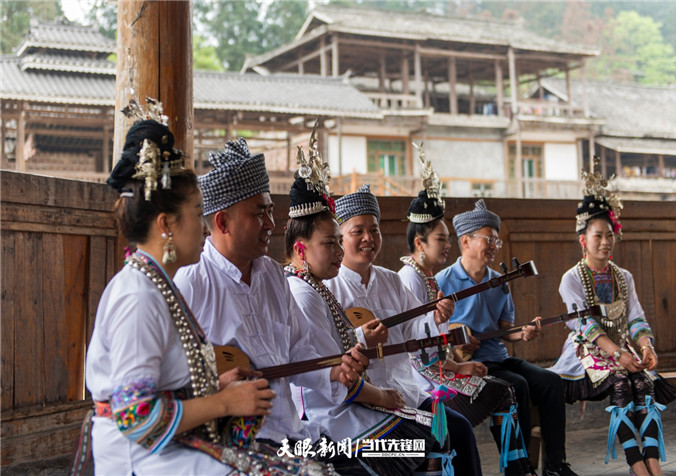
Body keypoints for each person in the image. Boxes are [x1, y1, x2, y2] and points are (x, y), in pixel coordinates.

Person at [83, 100, 315, 475]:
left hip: (172, 444)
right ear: (166, 225)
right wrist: (224, 403)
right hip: (142, 456)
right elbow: (136, 416)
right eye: (195, 213)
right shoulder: (137, 296)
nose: (204, 227)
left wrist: (217, 385)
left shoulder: (158, 286)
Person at [174, 138, 367, 474]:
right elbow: (173, 383)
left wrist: (333, 370)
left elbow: (297, 349)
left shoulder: (272, 275)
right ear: (222, 223)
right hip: (236, 440)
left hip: (289, 431)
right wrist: (216, 388)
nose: (270, 224)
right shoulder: (192, 283)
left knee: (365, 466)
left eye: (270, 210)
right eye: (259, 213)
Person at [282, 132, 438, 475]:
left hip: (357, 397)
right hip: (330, 414)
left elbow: (342, 357)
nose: (339, 252)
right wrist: (381, 397)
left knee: (432, 434)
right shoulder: (303, 292)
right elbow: (333, 375)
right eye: (331, 243)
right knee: (421, 439)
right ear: (300, 249)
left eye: (339, 242)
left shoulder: (316, 286)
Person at [325, 184, 483, 475]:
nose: (368, 239)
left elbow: (416, 330)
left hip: (404, 390)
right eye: (357, 231)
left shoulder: (390, 280)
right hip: (362, 400)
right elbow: (324, 354)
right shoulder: (328, 288)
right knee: (424, 441)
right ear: (339, 238)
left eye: (374, 230)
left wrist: (435, 317)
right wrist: (361, 339)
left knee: (458, 428)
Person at [398, 147, 534, 476]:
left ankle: (519, 469)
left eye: (448, 239)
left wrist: (458, 363)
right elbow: (415, 354)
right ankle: (515, 469)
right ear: (419, 242)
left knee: (507, 389)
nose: (448, 245)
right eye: (441, 239)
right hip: (422, 381)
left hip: (441, 368)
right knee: (499, 393)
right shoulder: (409, 279)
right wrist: (457, 366)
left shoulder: (428, 279)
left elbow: (435, 346)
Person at [436, 199, 577, 476]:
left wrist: (523, 332)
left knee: (551, 381)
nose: (493, 247)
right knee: (518, 385)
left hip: (498, 358)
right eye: (488, 240)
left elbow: (506, 327)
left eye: (496, 242)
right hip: (464, 364)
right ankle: (518, 468)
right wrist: (455, 335)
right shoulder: (442, 280)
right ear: (465, 242)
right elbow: (431, 328)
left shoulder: (499, 281)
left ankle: (555, 465)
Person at [548, 164, 670, 476]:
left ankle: (653, 462)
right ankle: (636, 464)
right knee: (620, 383)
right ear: (583, 240)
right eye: (598, 235)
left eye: (609, 235)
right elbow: (585, 326)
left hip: (622, 346)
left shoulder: (623, 277)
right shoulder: (570, 279)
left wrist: (647, 348)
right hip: (586, 351)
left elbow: (636, 318)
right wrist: (616, 354)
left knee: (643, 382)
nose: (605, 242)